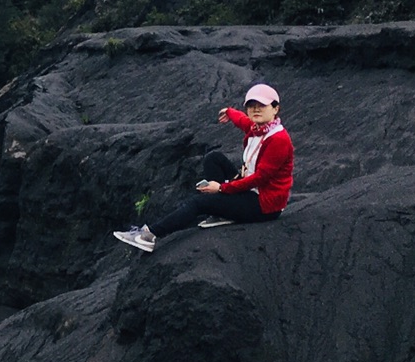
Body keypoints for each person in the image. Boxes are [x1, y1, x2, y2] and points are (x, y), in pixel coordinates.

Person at [113, 83, 293, 253]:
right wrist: (230, 112)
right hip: (250, 190)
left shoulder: (278, 140)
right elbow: (243, 122)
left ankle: (148, 236)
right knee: (213, 158)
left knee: (198, 203)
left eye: (262, 105)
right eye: (251, 105)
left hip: (264, 204)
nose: (256, 109)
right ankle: (221, 211)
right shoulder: (258, 128)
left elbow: (260, 178)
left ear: (276, 109)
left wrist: (222, 188)